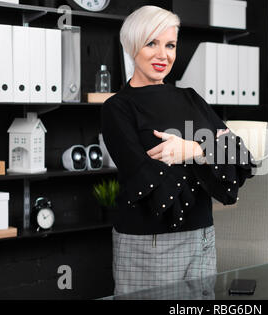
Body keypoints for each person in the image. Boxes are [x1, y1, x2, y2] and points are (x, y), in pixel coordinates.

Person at [101, 5, 257, 296]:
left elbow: (240, 157)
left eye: (170, 45)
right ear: (133, 45)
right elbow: (148, 182)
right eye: (152, 43)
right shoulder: (117, 108)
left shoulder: (190, 98)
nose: (163, 55)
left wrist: (192, 150)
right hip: (149, 245)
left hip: (203, 238)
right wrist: (211, 153)